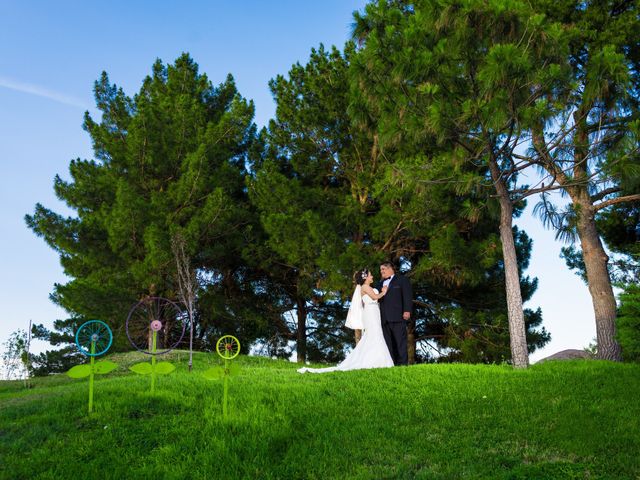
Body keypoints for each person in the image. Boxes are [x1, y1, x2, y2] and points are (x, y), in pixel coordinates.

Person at [297, 268, 394, 373]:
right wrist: (384, 292)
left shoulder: (367, 287)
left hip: (374, 313)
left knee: (375, 335)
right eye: (370, 275)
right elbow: (375, 297)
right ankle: (377, 361)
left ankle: (376, 360)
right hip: (370, 314)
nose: (372, 276)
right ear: (365, 278)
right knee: (374, 334)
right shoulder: (365, 287)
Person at [378, 261, 413, 366]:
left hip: (398, 316)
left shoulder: (402, 280)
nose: (381, 271)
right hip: (384, 318)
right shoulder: (379, 284)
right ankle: (391, 363)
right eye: (380, 270)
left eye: (383, 269)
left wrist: (407, 310)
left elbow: (407, 296)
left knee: (400, 342)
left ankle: (402, 364)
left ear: (390, 269)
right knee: (388, 343)